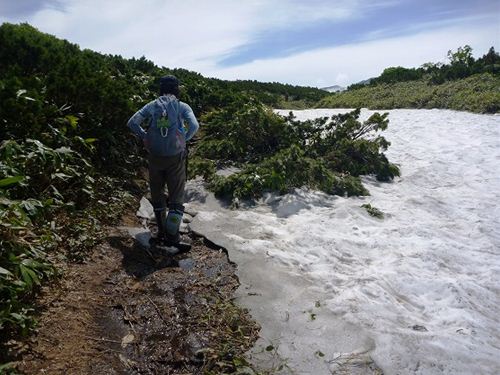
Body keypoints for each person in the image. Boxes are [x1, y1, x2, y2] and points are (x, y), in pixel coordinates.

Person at [127, 75, 199, 244]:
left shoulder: (152, 106)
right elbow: (195, 126)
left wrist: (145, 137)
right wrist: (183, 140)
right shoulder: (182, 106)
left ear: (161, 89)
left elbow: (132, 122)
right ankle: (173, 238)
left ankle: (160, 233)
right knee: (176, 198)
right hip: (176, 158)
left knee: (157, 195)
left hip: (155, 156)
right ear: (176, 89)